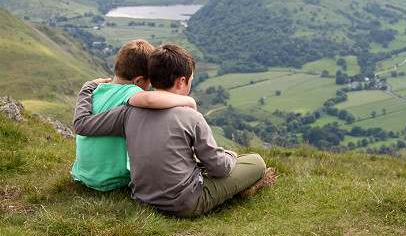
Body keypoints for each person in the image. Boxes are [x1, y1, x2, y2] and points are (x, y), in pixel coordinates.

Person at [73, 43, 275, 217]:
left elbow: (85, 124)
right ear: (181, 81)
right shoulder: (191, 116)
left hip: (141, 198)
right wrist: (230, 155)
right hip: (184, 203)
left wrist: (88, 88)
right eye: (190, 80)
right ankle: (246, 185)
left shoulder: (127, 112)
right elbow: (219, 168)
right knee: (255, 161)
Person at [72, 39, 197, 192]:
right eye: (149, 81)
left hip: (84, 175)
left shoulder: (97, 91)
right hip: (112, 181)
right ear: (138, 80)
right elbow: (150, 99)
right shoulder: (130, 92)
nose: (150, 86)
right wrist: (188, 101)